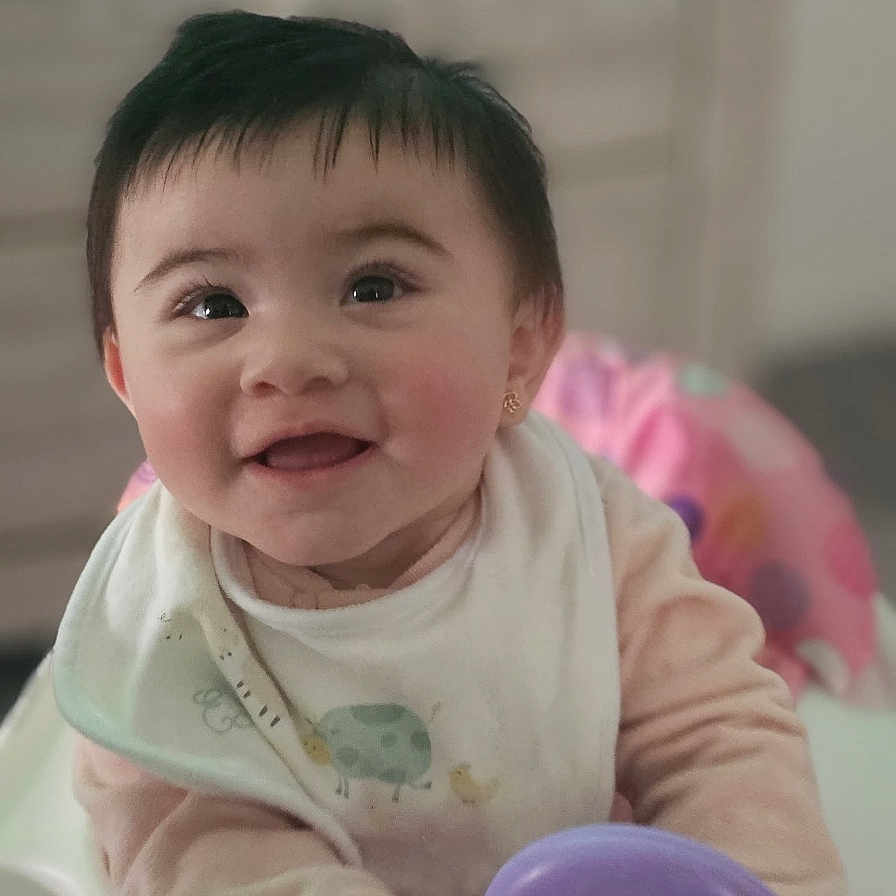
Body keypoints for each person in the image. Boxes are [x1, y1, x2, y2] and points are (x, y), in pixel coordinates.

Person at [52, 11, 846, 896]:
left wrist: (752, 878)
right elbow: (204, 856)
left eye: (373, 286)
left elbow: (719, 739)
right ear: (124, 372)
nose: (287, 362)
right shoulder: (163, 623)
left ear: (520, 346)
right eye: (212, 305)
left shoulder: (586, 539)